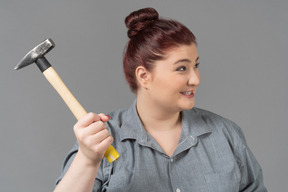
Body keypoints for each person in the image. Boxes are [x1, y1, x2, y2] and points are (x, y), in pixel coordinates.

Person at [54, 7, 267, 192]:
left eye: (196, 65)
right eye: (182, 68)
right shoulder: (102, 139)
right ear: (144, 76)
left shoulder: (226, 134)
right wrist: (88, 159)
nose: (196, 79)